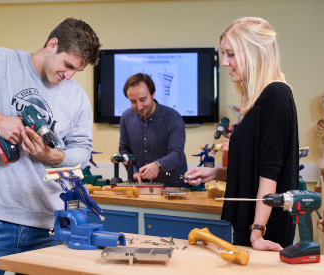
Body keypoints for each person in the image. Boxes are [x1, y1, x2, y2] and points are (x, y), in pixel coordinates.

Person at [0, 17, 101, 274]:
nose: (68, 76)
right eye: (67, 65)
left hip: (47, 224)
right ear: (52, 44)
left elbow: (82, 150)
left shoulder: (76, 95)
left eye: (76, 71)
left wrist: (53, 155)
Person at [184, 17, 298, 251]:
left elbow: (269, 172)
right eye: (223, 54)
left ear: (255, 53)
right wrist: (215, 172)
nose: (224, 62)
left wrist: (257, 233)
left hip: (265, 231)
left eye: (231, 54)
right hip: (251, 226)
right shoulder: (258, 100)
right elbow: (254, 169)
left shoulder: (276, 95)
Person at [119, 73, 188, 187]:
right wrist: (134, 170)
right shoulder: (126, 117)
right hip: (141, 186)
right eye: (133, 101)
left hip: (173, 186)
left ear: (153, 94)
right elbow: (124, 149)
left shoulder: (173, 117)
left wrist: (158, 165)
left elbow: (176, 154)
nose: (139, 106)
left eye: (143, 99)